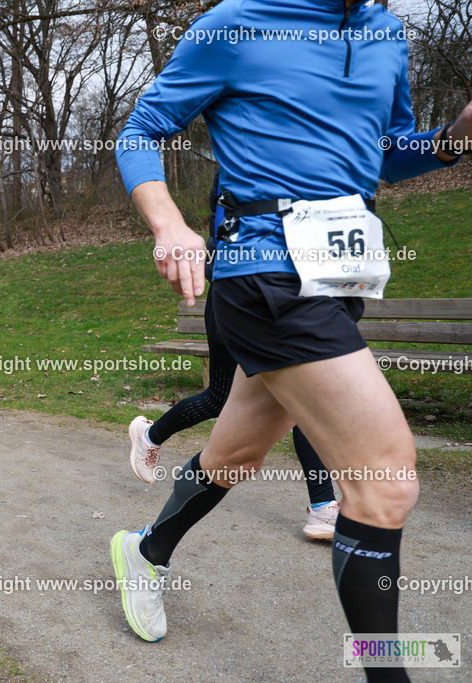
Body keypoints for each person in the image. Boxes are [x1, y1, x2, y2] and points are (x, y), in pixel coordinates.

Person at [111, 2, 469, 681]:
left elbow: (386, 155)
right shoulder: (237, 22)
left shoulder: (384, 33)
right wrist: (169, 224)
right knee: (386, 480)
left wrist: (457, 136)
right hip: (266, 272)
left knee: (236, 453)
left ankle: (146, 551)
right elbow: (141, 129)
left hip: (339, 276)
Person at [128, 173, 339, 540]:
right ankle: (150, 440)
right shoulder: (244, 170)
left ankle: (322, 507)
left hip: (293, 301)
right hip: (240, 299)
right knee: (223, 399)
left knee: (297, 401)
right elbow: (222, 239)